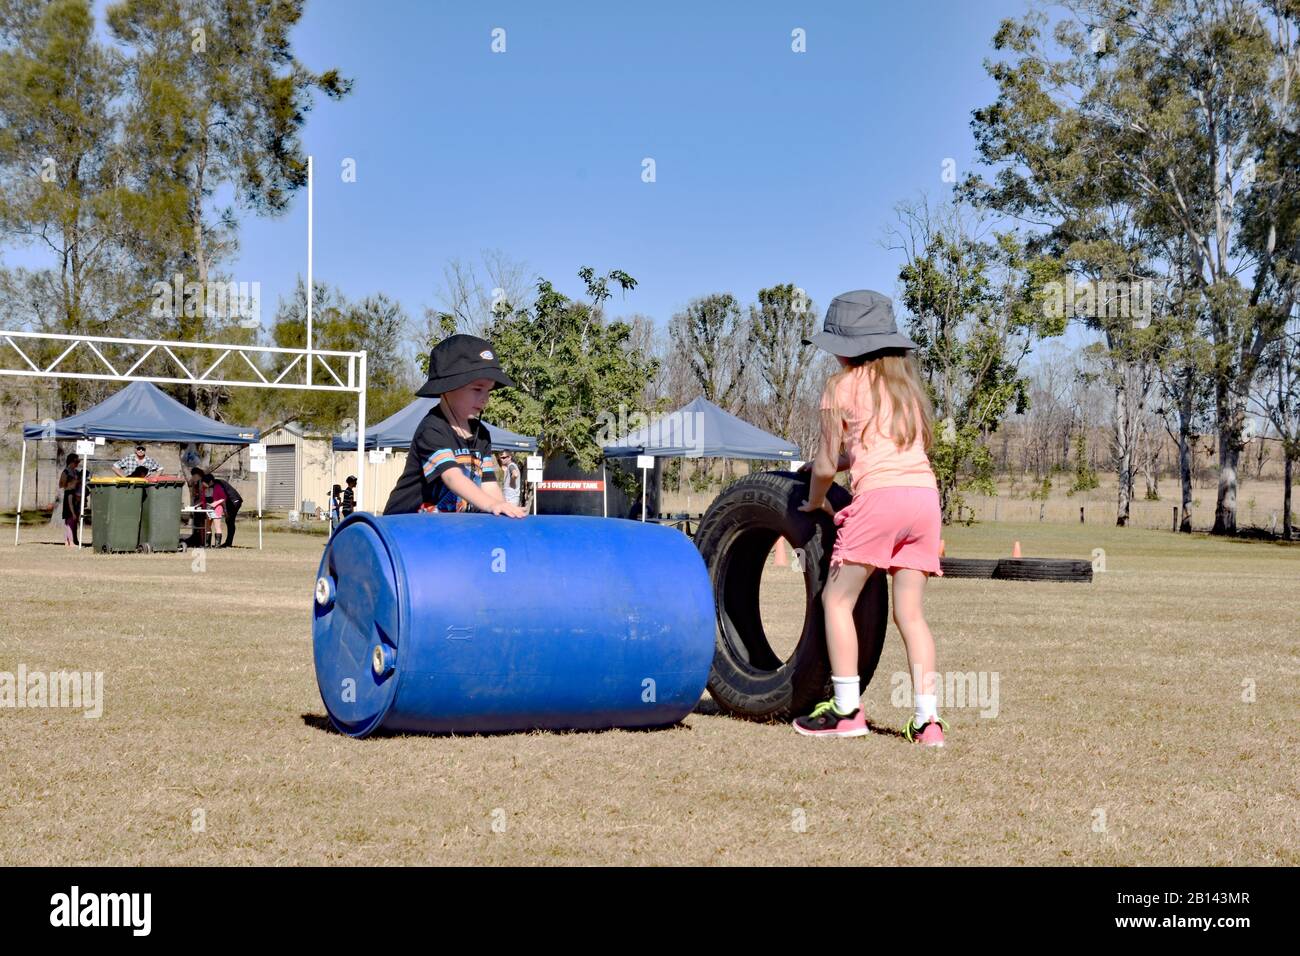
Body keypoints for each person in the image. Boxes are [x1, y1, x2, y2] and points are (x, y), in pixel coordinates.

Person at [792, 290, 947, 746]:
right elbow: (878, 450)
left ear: (844, 346)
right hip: (923, 500)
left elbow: (824, 465)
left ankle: (847, 710)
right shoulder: (906, 390)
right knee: (911, 615)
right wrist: (841, 464)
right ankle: (928, 721)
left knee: (836, 601)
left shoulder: (840, 387)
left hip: (878, 501)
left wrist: (817, 499)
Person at [383, 334, 527, 518]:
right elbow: (453, 477)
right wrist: (491, 505)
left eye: (488, 390)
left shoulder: (481, 434)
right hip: (405, 526)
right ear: (448, 387)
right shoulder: (433, 428)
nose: (485, 397)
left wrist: (502, 508)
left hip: (447, 528)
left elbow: (488, 483)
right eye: (477, 389)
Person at [58, 452, 85, 547]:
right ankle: (70, 542)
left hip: (74, 495)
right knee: (70, 518)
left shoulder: (75, 472)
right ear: (71, 461)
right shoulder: (66, 472)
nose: (77, 463)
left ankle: (68, 541)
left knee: (73, 520)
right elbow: (61, 485)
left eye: (78, 461)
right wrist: (70, 483)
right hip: (69, 494)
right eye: (76, 461)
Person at [210, 474, 244, 548]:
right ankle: (228, 542)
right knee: (229, 522)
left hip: (234, 501)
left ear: (210, 481)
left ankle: (228, 542)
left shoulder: (218, 485)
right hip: (230, 501)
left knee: (230, 520)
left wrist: (226, 513)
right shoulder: (216, 483)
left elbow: (223, 500)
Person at [200, 472, 227, 546]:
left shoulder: (217, 487)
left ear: (210, 481)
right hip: (208, 508)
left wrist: (215, 503)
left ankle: (217, 544)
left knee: (217, 526)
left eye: (204, 482)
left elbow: (223, 498)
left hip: (217, 508)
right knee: (207, 526)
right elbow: (203, 500)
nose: (203, 484)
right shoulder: (204, 489)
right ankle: (207, 544)